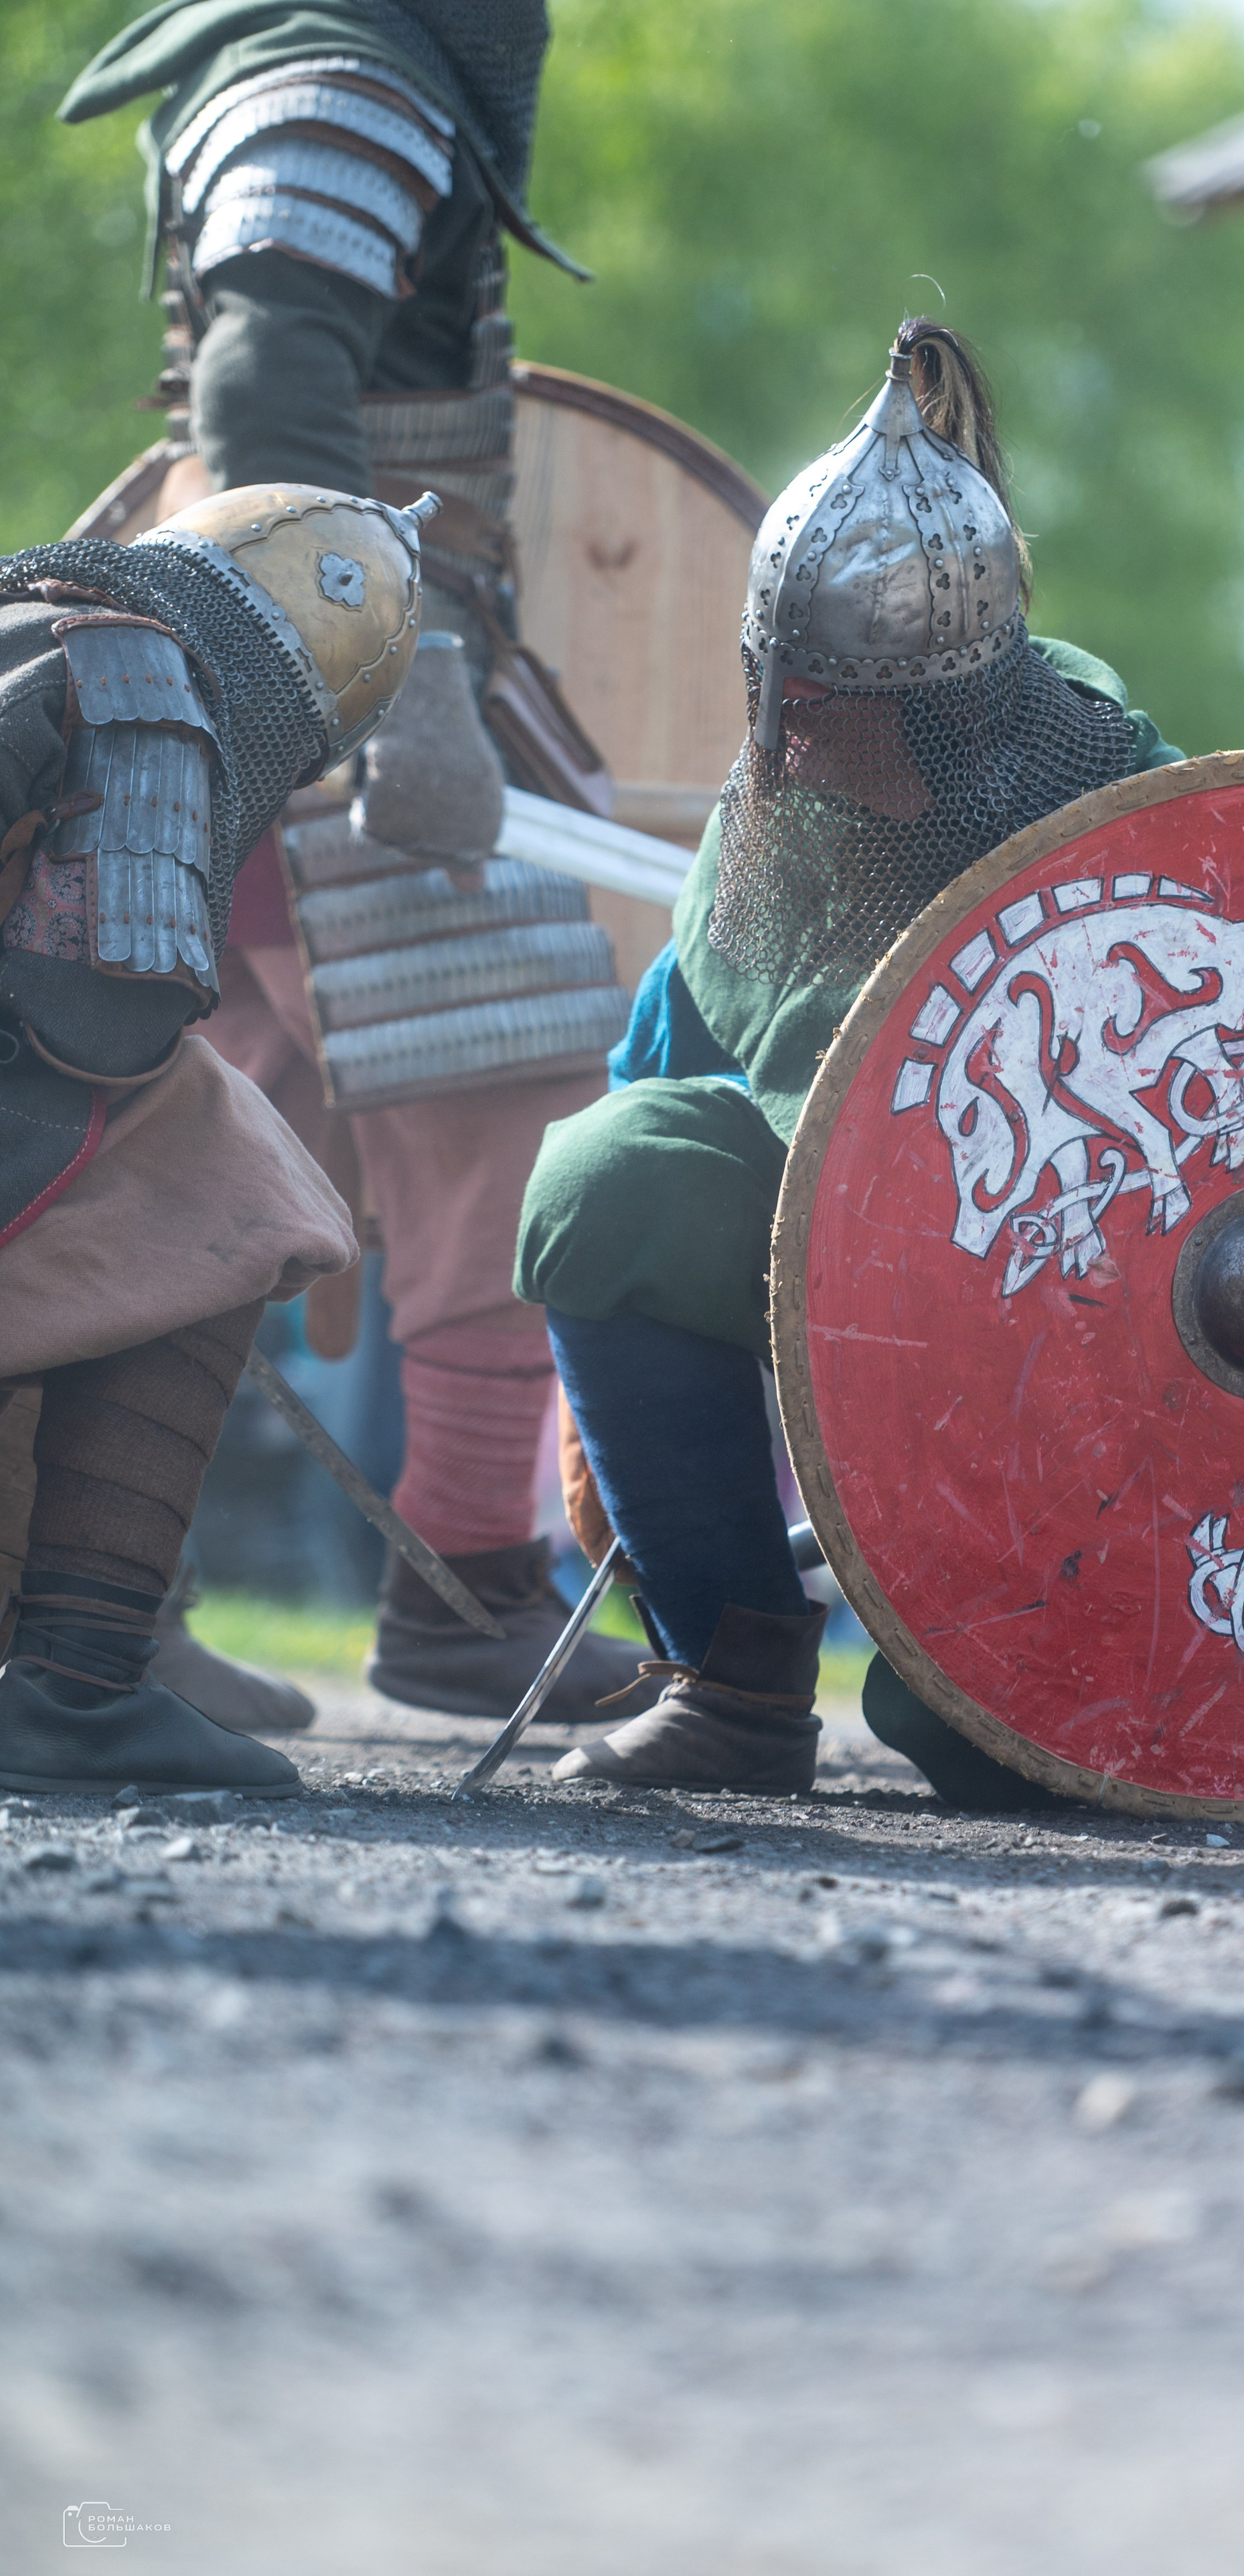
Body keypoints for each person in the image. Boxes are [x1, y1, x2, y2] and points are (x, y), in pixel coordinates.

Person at [59, 0, 639, 1733]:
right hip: (334, 690)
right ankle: (466, 1591)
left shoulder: (338, 58)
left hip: (293, 688)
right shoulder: (339, 78)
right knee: (501, 1112)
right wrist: (414, 678)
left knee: (205, 1139)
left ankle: (107, 1610)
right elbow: (262, 380)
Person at [515, 323, 1184, 1803]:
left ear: (955, 703)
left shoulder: (1116, 804)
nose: (791, 739)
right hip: (828, 1252)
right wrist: (602, 1357)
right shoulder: (777, 812)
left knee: (977, 1739)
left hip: (1068, 1300)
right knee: (600, 1175)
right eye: (780, 694)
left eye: (826, 704)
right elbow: (655, 1095)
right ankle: (734, 1683)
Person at [0, 481, 437, 1799]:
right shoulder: (142, 696)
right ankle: (79, 1683)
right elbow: (101, 1033)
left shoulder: (25, 614)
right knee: (222, 1161)